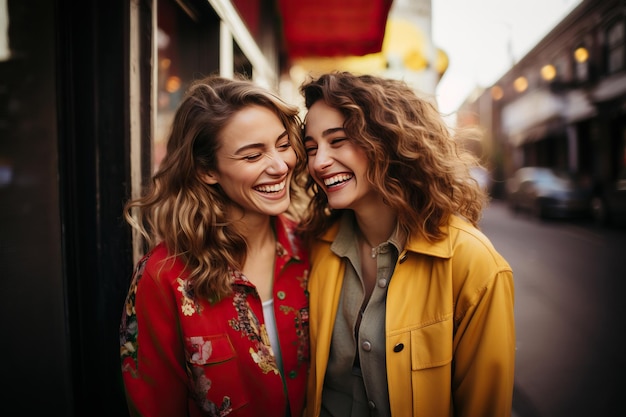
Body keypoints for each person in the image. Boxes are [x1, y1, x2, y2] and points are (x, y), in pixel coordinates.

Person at [298, 71, 515, 417]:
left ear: (388, 139)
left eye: (337, 141)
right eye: (311, 149)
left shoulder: (473, 263)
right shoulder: (314, 246)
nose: (319, 162)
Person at [119, 75, 310, 417]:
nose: (280, 166)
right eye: (253, 156)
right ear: (207, 169)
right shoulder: (163, 277)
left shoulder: (315, 249)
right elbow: (156, 406)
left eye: (283, 145)